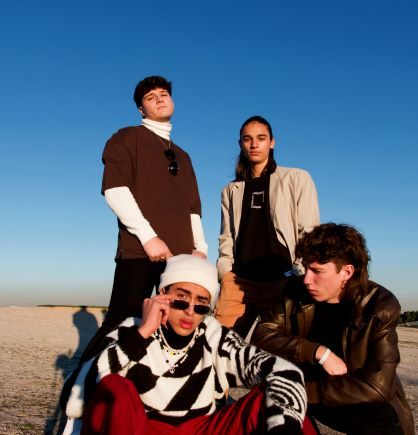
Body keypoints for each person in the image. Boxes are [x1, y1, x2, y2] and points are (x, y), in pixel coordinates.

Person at [63, 255, 311, 434]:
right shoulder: (131, 330)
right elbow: (77, 392)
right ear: (162, 294)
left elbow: (282, 371)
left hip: (202, 429)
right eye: (181, 299)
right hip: (143, 428)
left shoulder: (213, 336)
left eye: (201, 303)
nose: (190, 311)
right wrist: (143, 333)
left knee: (271, 399)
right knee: (115, 387)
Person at [80, 75, 208, 362]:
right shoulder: (126, 138)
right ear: (141, 108)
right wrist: (148, 237)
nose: (159, 98)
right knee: (122, 322)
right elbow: (115, 190)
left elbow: (193, 208)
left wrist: (200, 248)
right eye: (151, 97)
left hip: (180, 258)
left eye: (164, 93)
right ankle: (81, 384)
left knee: (172, 326)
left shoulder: (184, 156)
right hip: (139, 251)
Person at [252, 223, 414, 435]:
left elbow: (377, 386)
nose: (307, 279)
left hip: (353, 398)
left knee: (376, 417)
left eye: (317, 271)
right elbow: (262, 333)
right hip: (307, 388)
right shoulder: (295, 291)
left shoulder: (380, 305)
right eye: (306, 268)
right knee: (264, 404)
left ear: (346, 272)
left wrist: (303, 392)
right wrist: (318, 352)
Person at [215, 115, 319, 336]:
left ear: (272, 142)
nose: (254, 144)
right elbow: (226, 236)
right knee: (219, 344)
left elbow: (310, 232)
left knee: (281, 347)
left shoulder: (297, 178)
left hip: (282, 281)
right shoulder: (230, 190)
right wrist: (225, 273)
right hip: (239, 281)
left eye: (261, 138)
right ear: (240, 144)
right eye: (247, 139)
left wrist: (298, 272)